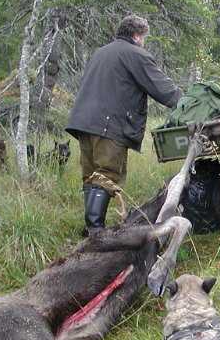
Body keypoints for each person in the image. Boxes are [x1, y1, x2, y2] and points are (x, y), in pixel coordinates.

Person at [66, 14, 183, 235]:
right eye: (144, 38)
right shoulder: (135, 54)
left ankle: (90, 227)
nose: (144, 42)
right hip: (109, 125)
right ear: (137, 35)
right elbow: (162, 88)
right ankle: (95, 231)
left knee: (92, 175)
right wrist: (187, 103)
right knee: (108, 174)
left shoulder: (101, 52)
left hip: (83, 123)